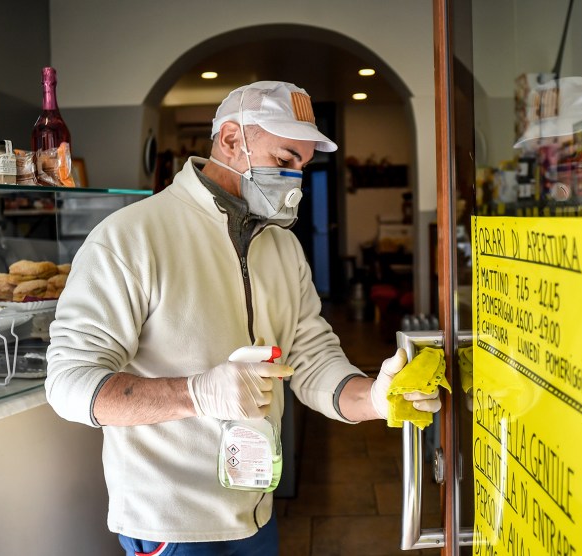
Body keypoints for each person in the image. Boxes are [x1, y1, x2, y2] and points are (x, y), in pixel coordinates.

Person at [45, 80, 443, 555]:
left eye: (302, 165)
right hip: (172, 523)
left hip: (255, 512)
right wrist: (196, 392)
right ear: (231, 140)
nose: (295, 180)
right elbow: (68, 384)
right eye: (284, 161)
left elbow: (312, 358)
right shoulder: (130, 238)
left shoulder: (283, 245)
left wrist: (374, 397)